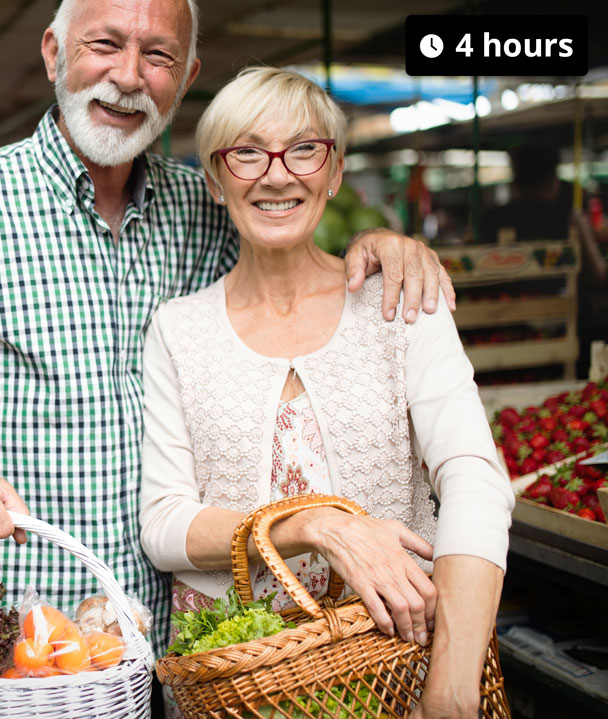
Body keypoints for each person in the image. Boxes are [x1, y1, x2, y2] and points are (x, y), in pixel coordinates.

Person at [0, 0, 454, 663]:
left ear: (186, 78)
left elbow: (291, 255)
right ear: (53, 54)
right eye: (104, 45)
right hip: (23, 633)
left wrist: (378, 243)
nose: (129, 76)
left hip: (186, 633)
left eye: (158, 55)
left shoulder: (205, 209)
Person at [138, 67, 513, 718]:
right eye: (247, 152)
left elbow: (475, 481)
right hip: (243, 689)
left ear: (334, 172)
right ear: (215, 180)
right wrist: (313, 523)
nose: (277, 173)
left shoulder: (401, 305)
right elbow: (164, 523)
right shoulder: (178, 329)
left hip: (396, 668)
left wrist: (450, 691)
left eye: (303, 149)